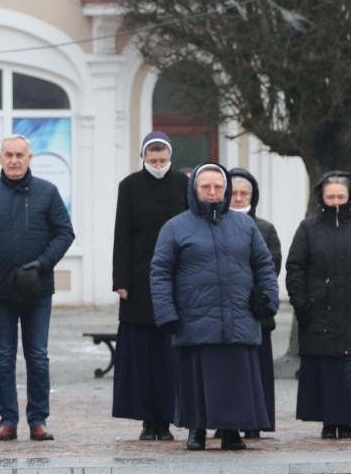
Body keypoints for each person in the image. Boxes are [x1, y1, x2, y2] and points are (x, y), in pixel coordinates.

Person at [150, 163, 279, 451]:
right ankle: (196, 429)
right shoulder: (175, 227)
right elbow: (160, 272)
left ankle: (231, 430)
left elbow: (263, 264)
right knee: (196, 379)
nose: (212, 192)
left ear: (226, 190)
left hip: (239, 316)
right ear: (193, 189)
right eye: (205, 186)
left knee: (235, 378)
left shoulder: (244, 225)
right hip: (194, 318)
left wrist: (268, 297)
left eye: (218, 187)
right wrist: (166, 313)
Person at [0, 134, 75, 442]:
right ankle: (8, 420)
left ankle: (38, 419)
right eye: (9, 155)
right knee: (3, 356)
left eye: (20, 155)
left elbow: (65, 233)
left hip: (37, 289)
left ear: (30, 158)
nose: (14, 160)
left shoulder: (47, 192)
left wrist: (41, 264)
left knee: (38, 355)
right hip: (0, 291)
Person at [285, 171, 351, 439]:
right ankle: (329, 422)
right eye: (330, 196)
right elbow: (295, 268)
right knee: (326, 370)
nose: (335, 202)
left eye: (340, 196)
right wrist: (301, 304)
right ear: (321, 196)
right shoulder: (308, 227)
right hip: (319, 309)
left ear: (349, 196)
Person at [111, 131, 188, 442]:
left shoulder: (185, 185)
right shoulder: (129, 186)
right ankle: (147, 420)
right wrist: (121, 280)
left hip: (177, 280)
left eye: (162, 159)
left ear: (170, 157)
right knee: (141, 355)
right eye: (152, 160)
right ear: (143, 158)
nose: (157, 164)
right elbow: (122, 235)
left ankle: (167, 420)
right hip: (139, 283)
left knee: (169, 355)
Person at [228, 168, 282, 439]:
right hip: (224, 314)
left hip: (256, 312)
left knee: (256, 373)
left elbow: (269, 270)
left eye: (244, 193)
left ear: (253, 196)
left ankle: (254, 422)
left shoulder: (265, 229)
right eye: (234, 193)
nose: (238, 198)